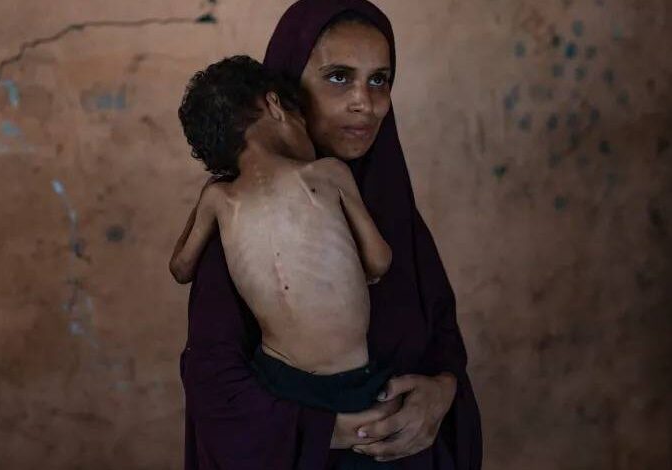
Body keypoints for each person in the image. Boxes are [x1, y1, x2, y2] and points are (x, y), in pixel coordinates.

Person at [179, 1, 483, 469]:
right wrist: (331, 431)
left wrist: (442, 393)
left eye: (380, 80)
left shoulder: (391, 207)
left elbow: (442, 340)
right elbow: (215, 385)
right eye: (339, 77)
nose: (365, 102)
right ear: (282, 94)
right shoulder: (241, 215)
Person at [171, 54, 396, 417]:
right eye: (302, 120)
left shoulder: (220, 199)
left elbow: (181, 268)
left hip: (279, 378)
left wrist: (208, 193)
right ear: (275, 105)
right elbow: (380, 260)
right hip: (350, 376)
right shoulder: (327, 174)